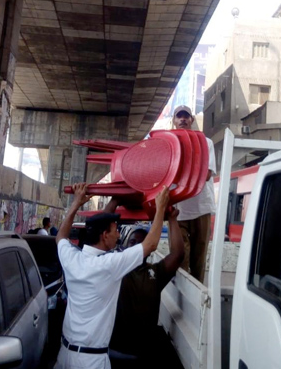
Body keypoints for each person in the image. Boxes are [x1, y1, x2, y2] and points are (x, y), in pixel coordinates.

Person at [55, 183, 170, 369]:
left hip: (65, 354)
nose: (118, 235)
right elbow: (150, 245)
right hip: (90, 361)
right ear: (104, 235)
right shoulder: (108, 265)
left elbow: (60, 236)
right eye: (116, 230)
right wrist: (161, 207)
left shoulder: (72, 258)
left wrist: (76, 202)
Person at [109, 208, 184, 368]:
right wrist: (115, 203)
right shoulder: (115, 268)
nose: (136, 246)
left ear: (149, 248)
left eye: (141, 243)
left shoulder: (156, 272)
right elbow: (99, 240)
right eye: (132, 242)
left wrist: (172, 219)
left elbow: (177, 255)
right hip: (115, 351)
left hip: (144, 355)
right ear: (126, 245)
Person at [172, 105, 217, 283]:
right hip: (178, 209)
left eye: (186, 116)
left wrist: (178, 173)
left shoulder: (206, 143)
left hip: (201, 208)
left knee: (199, 257)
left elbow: (206, 174)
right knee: (180, 254)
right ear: (174, 121)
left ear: (191, 120)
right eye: (179, 116)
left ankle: (197, 298)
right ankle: (182, 292)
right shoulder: (169, 143)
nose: (182, 119)